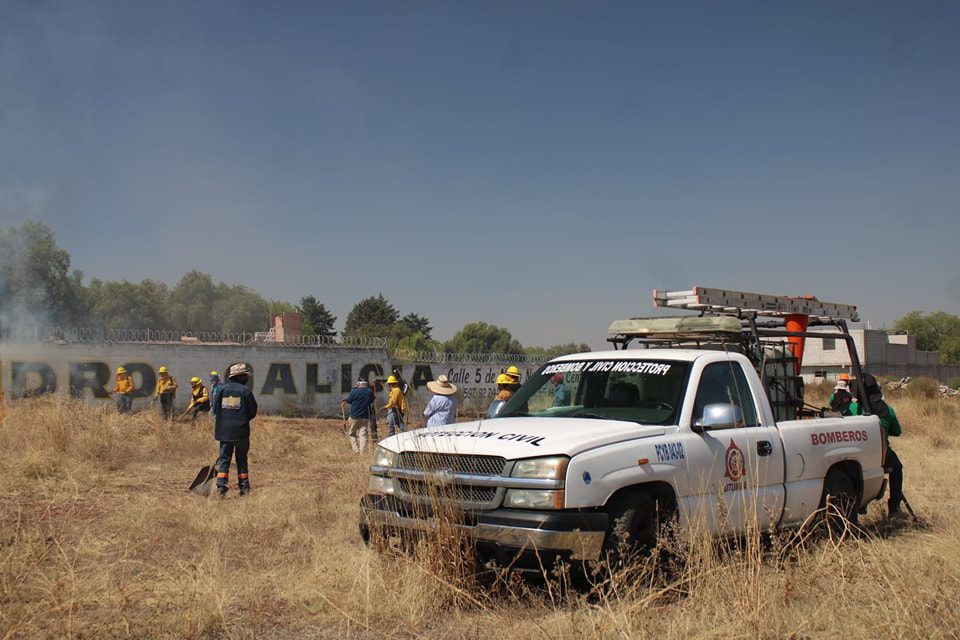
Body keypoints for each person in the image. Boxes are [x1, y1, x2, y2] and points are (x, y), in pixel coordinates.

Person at [849, 372, 905, 519]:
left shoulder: (853, 409)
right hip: (881, 454)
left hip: (856, 455)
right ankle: (894, 507)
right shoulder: (887, 410)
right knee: (897, 468)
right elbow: (897, 432)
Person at [212, 362, 258, 497]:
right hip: (241, 432)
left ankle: (221, 487)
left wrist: (225, 419)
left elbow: (215, 409)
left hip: (224, 432)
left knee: (224, 459)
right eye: (245, 375)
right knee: (241, 459)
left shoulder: (221, 390)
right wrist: (242, 420)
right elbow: (253, 411)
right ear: (240, 377)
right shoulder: (246, 391)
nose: (247, 378)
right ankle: (244, 488)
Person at [342, 378, 375, 453]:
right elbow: (371, 400)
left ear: (358, 383)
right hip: (365, 416)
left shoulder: (354, 392)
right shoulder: (370, 392)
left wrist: (353, 389)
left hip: (354, 416)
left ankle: (356, 450)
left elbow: (349, 401)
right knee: (363, 435)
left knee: (351, 433)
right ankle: (362, 453)